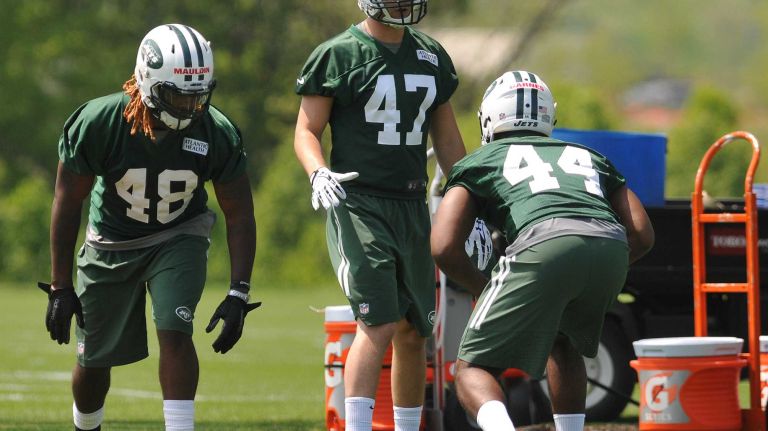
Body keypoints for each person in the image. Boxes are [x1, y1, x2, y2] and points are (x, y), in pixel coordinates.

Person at [41, 24, 260, 431]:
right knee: (94, 359)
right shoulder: (100, 121)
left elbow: (239, 213)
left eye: (197, 96)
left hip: (179, 235)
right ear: (146, 81)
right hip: (112, 240)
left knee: (175, 330)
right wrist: (60, 286)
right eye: (177, 95)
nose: (189, 107)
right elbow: (68, 201)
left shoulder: (216, 131)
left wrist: (238, 291)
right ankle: (86, 427)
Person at [431, 70, 655, 431]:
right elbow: (642, 233)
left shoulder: (479, 162)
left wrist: (483, 286)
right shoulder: (587, 155)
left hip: (542, 246)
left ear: (490, 117)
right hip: (611, 248)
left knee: (473, 369)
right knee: (564, 344)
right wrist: (592, 263)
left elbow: (442, 246)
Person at [293, 1, 467, 429]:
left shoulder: (431, 55)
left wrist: (473, 198)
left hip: (411, 205)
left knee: (415, 331)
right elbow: (306, 131)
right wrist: (317, 172)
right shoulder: (338, 54)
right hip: (358, 201)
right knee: (378, 322)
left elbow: (447, 141)